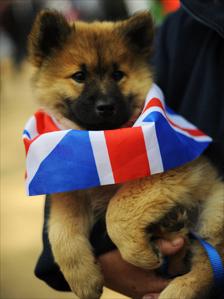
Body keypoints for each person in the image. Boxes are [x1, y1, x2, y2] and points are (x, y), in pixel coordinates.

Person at [35, 0, 224, 298]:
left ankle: (200, 275)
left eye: (117, 75)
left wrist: (121, 222)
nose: (104, 99)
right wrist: (66, 244)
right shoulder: (187, 28)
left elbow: (185, 174)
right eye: (80, 78)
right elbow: (70, 186)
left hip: (202, 225)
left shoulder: (150, 120)